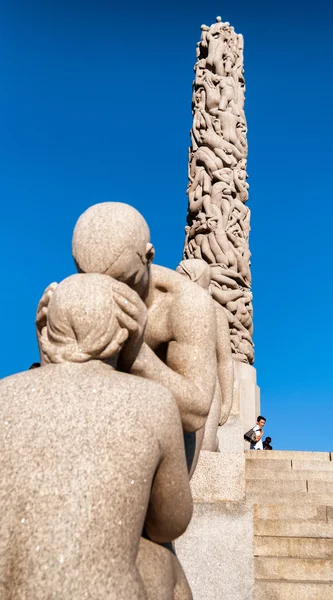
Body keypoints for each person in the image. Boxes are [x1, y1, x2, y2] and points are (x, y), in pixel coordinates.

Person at [0, 274, 193, 599]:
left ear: (46, 325)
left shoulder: (4, 392)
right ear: (123, 334)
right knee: (165, 564)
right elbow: (170, 524)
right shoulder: (153, 401)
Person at [37, 202, 217, 475]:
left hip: (170, 440)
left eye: (126, 280)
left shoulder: (186, 304)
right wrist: (47, 345)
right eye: (92, 279)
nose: (112, 292)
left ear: (149, 256)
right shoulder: (77, 294)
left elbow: (195, 413)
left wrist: (137, 354)